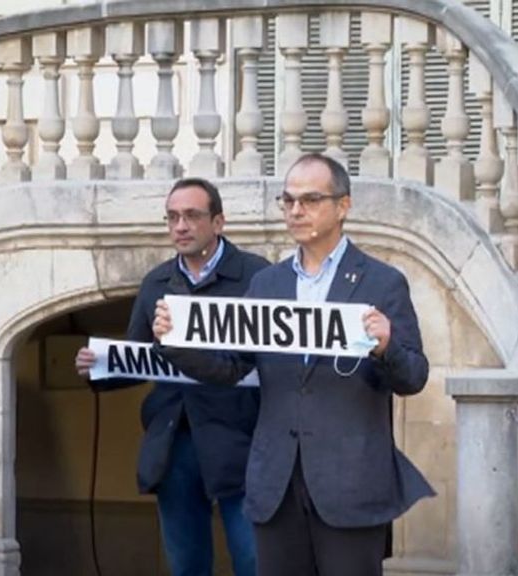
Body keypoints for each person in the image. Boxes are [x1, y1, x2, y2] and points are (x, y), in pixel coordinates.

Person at [153, 153, 434, 576]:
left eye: (310, 199)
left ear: (343, 206)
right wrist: (175, 341)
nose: (296, 210)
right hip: (276, 484)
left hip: (351, 483)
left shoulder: (382, 281)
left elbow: (413, 376)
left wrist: (386, 345)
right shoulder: (268, 284)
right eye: (288, 201)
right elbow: (230, 367)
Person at [75, 178, 268, 576]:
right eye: (173, 217)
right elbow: (140, 359)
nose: (180, 226)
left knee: (255, 560)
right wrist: (98, 366)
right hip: (174, 441)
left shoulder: (258, 277)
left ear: (218, 222)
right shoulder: (156, 283)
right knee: (187, 564)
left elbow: (266, 364)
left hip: (242, 440)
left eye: (192, 216)